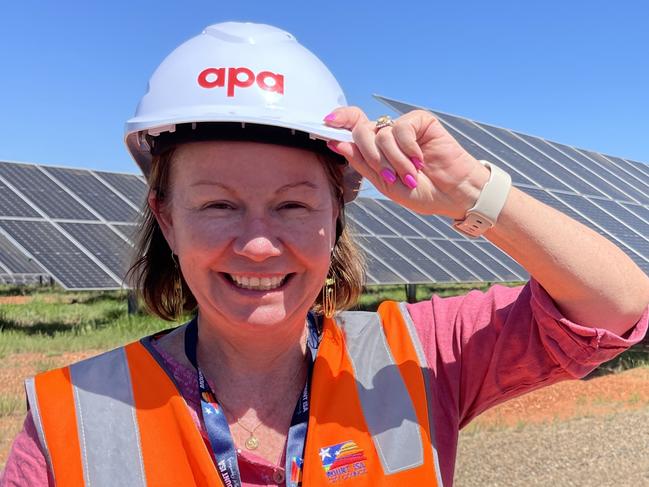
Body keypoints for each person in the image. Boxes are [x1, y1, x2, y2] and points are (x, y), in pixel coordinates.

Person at [2, 21, 648, 487]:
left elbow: (614, 307)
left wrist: (471, 193)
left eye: (292, 205)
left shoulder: (419, 352)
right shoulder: (72, 412)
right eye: (218, 205)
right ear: (165, 219)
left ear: (336, 216)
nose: (257, 242)